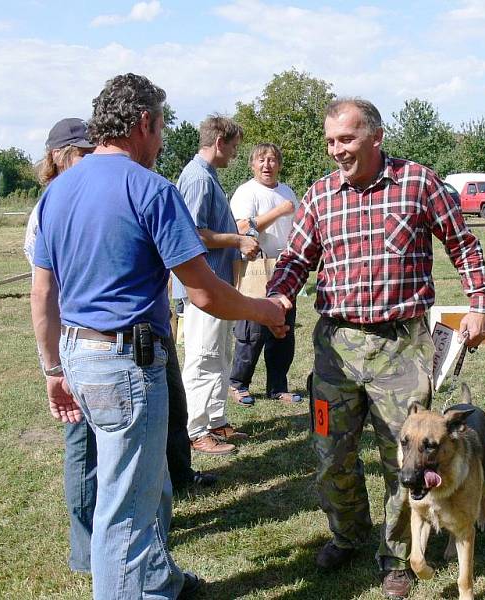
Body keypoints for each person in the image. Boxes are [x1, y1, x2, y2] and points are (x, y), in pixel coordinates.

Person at [30, 73, 290, 600]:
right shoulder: (151, 188)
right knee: (126, 506)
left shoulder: (58, 194)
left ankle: (157, 580)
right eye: (162, 126)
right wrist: (265, 310)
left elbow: (43, 294)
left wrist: (53, 369)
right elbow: (205, 294)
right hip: (126, 362)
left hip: (79, 356)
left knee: (141, 485)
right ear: (144, 123)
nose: (163, 139)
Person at [266, 98, 485, 599]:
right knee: (329, 453)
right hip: (336, 351)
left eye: (345, 139)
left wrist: (479, 303)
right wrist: (278, 297)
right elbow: (295, 260)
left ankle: (394, 556)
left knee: (406, 460)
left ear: (376, 135)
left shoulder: (419, 183)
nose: (336, 150)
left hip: (401, 348)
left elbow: (463, 243)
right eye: (330, 141)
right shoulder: (320, 195)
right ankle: (347, 535)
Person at [24, 117, 96, 574]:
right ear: (58, 156)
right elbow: (44, 292)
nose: (91, 160)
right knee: (83, 443)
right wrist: (52, 367)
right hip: (72, 341)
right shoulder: (49, 208)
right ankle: (86, 549)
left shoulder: (82, 198)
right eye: (82, 153)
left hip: (91, 338)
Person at [171, 116, 260, 456]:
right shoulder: (196, 178)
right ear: (219, 142)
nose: (235, 155)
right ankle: (196, 430)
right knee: (202, 357)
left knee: (219, 355)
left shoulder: (208, 177)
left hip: (216, 286)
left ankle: (216, 421)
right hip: (201, 288)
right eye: (234, 148)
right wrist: (237, 240)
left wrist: (234, 233)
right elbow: (192, 233)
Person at [229, 143, 300, 405]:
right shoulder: (246, 192)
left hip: (285, 270)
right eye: (262, 160)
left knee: (283, 329)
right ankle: (238, 383)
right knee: (253, 331)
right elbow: (242, 227)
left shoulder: (287, 192)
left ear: (279, 164)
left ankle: (278, 386)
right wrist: (279, 211)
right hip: (256, 270)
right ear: (252, 165)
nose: (267, 165)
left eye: (272, 160)